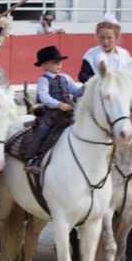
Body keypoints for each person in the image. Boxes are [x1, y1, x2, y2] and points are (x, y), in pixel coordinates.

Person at [24, 45, 83, 176]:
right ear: (44, 66)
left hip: (70, 110)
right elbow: (44, 97)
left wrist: (84, 88)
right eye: (55, 62)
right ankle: (33, 158)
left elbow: (76, 92)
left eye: (59, 62)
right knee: (43, 129)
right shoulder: (43, 80)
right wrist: (58, 104)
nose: (59, 65)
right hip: (52, 113)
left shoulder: (65, 77)